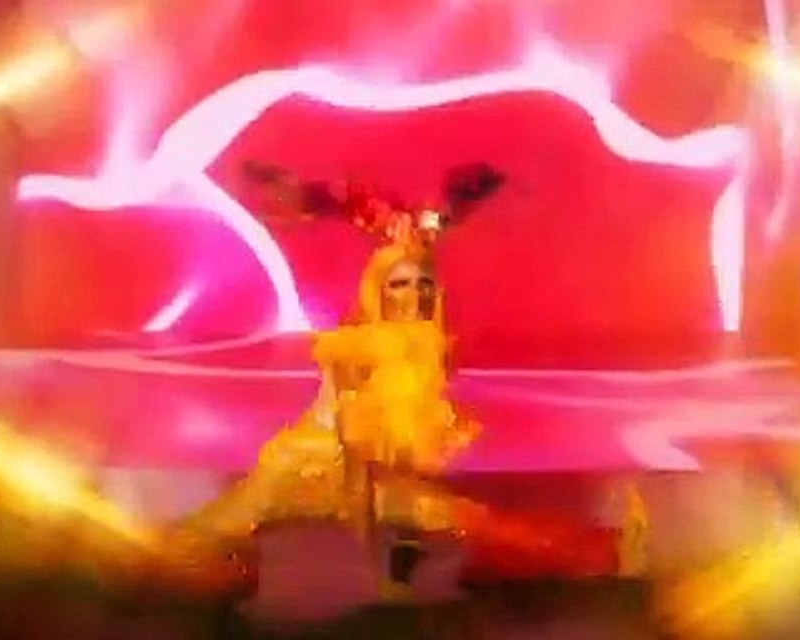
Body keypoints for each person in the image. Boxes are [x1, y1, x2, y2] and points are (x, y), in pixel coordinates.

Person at [168, 163, 638, 598]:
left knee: (472, 525)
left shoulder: (421, 350)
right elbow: (352, 451)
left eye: (422, 284)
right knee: (464, 524)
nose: (414, 294)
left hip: (379, 487)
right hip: (320, 477)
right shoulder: (359, 349)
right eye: (400, 284)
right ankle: (602, 555)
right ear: (380, 291)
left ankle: (603, 554)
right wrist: (370, 556)